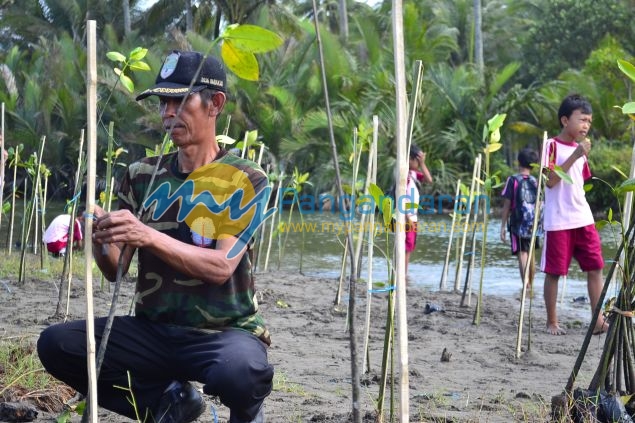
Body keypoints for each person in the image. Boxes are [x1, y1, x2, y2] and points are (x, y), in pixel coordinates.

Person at [37, 50, 274, 422]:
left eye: (179, 101)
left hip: (223, 333)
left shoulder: (245, 177)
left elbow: (219, 267)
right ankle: (171, 402)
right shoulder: (142, 174)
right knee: (57, 344)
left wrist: (144, 233)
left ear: (215, 104)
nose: (167, 113)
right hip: (153, 332)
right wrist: (100, 236)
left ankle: (247, 412)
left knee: (239, 373)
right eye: (164, 102)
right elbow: (116, 270)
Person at [540, 93, 606, 336]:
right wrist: (575, 155)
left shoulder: (581, 150)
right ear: (565, 120)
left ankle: (598, 320)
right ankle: (552, 322)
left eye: (589, 121)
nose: (586, 125)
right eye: (582, 119)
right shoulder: (552, 145)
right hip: (558, 220)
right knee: (555, 272)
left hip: (583, 217)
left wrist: (580, 154)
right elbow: (550, 181)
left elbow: (581, 181)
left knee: (596, 266)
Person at [500, 147, 542, 288]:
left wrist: (502, 227)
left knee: (522, 254)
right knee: (530, 254)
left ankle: (526, 285)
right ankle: (531, 284)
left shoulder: (512, 180)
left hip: (518, 222)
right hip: (533, 222)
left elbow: (507, 205)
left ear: (519, 162)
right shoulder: (536, 181)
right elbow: (540, 202)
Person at [403, 144, 433, 276]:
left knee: (409, 248)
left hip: (412, 216)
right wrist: (406, 217)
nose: (418, 162)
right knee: (405, 247)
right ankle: (402, 275)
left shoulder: (414, 174)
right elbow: (401, 197)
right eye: (417, 160)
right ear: (409, 159)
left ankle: (404, 274)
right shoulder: (405, 175)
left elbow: (429, 179)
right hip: (406, 217)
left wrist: (422, 164)